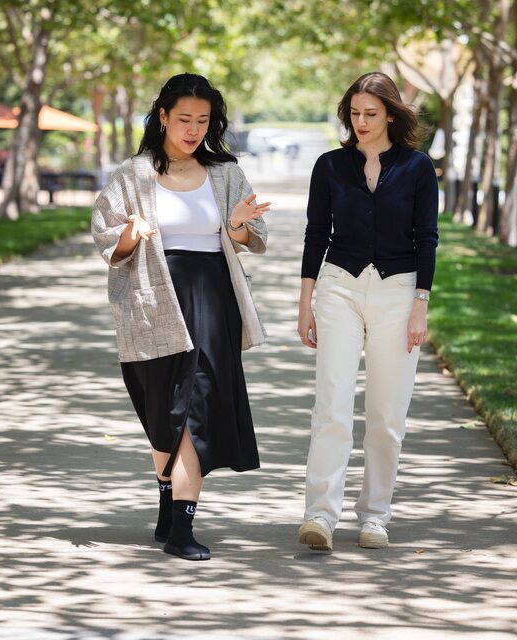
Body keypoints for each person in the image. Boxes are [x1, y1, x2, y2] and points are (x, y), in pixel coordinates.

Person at [91, 73, 271, 561]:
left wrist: (236, 227)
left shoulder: (226, 172)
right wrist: (133, 230)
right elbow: (108, 241)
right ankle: (168, 500)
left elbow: (255, 234)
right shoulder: (134, 174)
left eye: (203, 121)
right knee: (161, 413)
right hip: (152, 300)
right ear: (163, 117)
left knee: (195, 409)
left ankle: (182, 528)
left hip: (212, 299)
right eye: (184, 119)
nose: (193, 130)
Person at [296, 71, 438, 552]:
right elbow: (317, 235)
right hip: (339, 287)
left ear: (391, 114)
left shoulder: (418, 169)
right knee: (332, 405)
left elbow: (427, 241)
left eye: (370, 114)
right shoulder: (330, 166)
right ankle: (320, 515)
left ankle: (375, 515)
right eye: (354, 113)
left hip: (399, 294)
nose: (360, 122)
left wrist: (421, 305)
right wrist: (305, 303)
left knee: (385, 414)